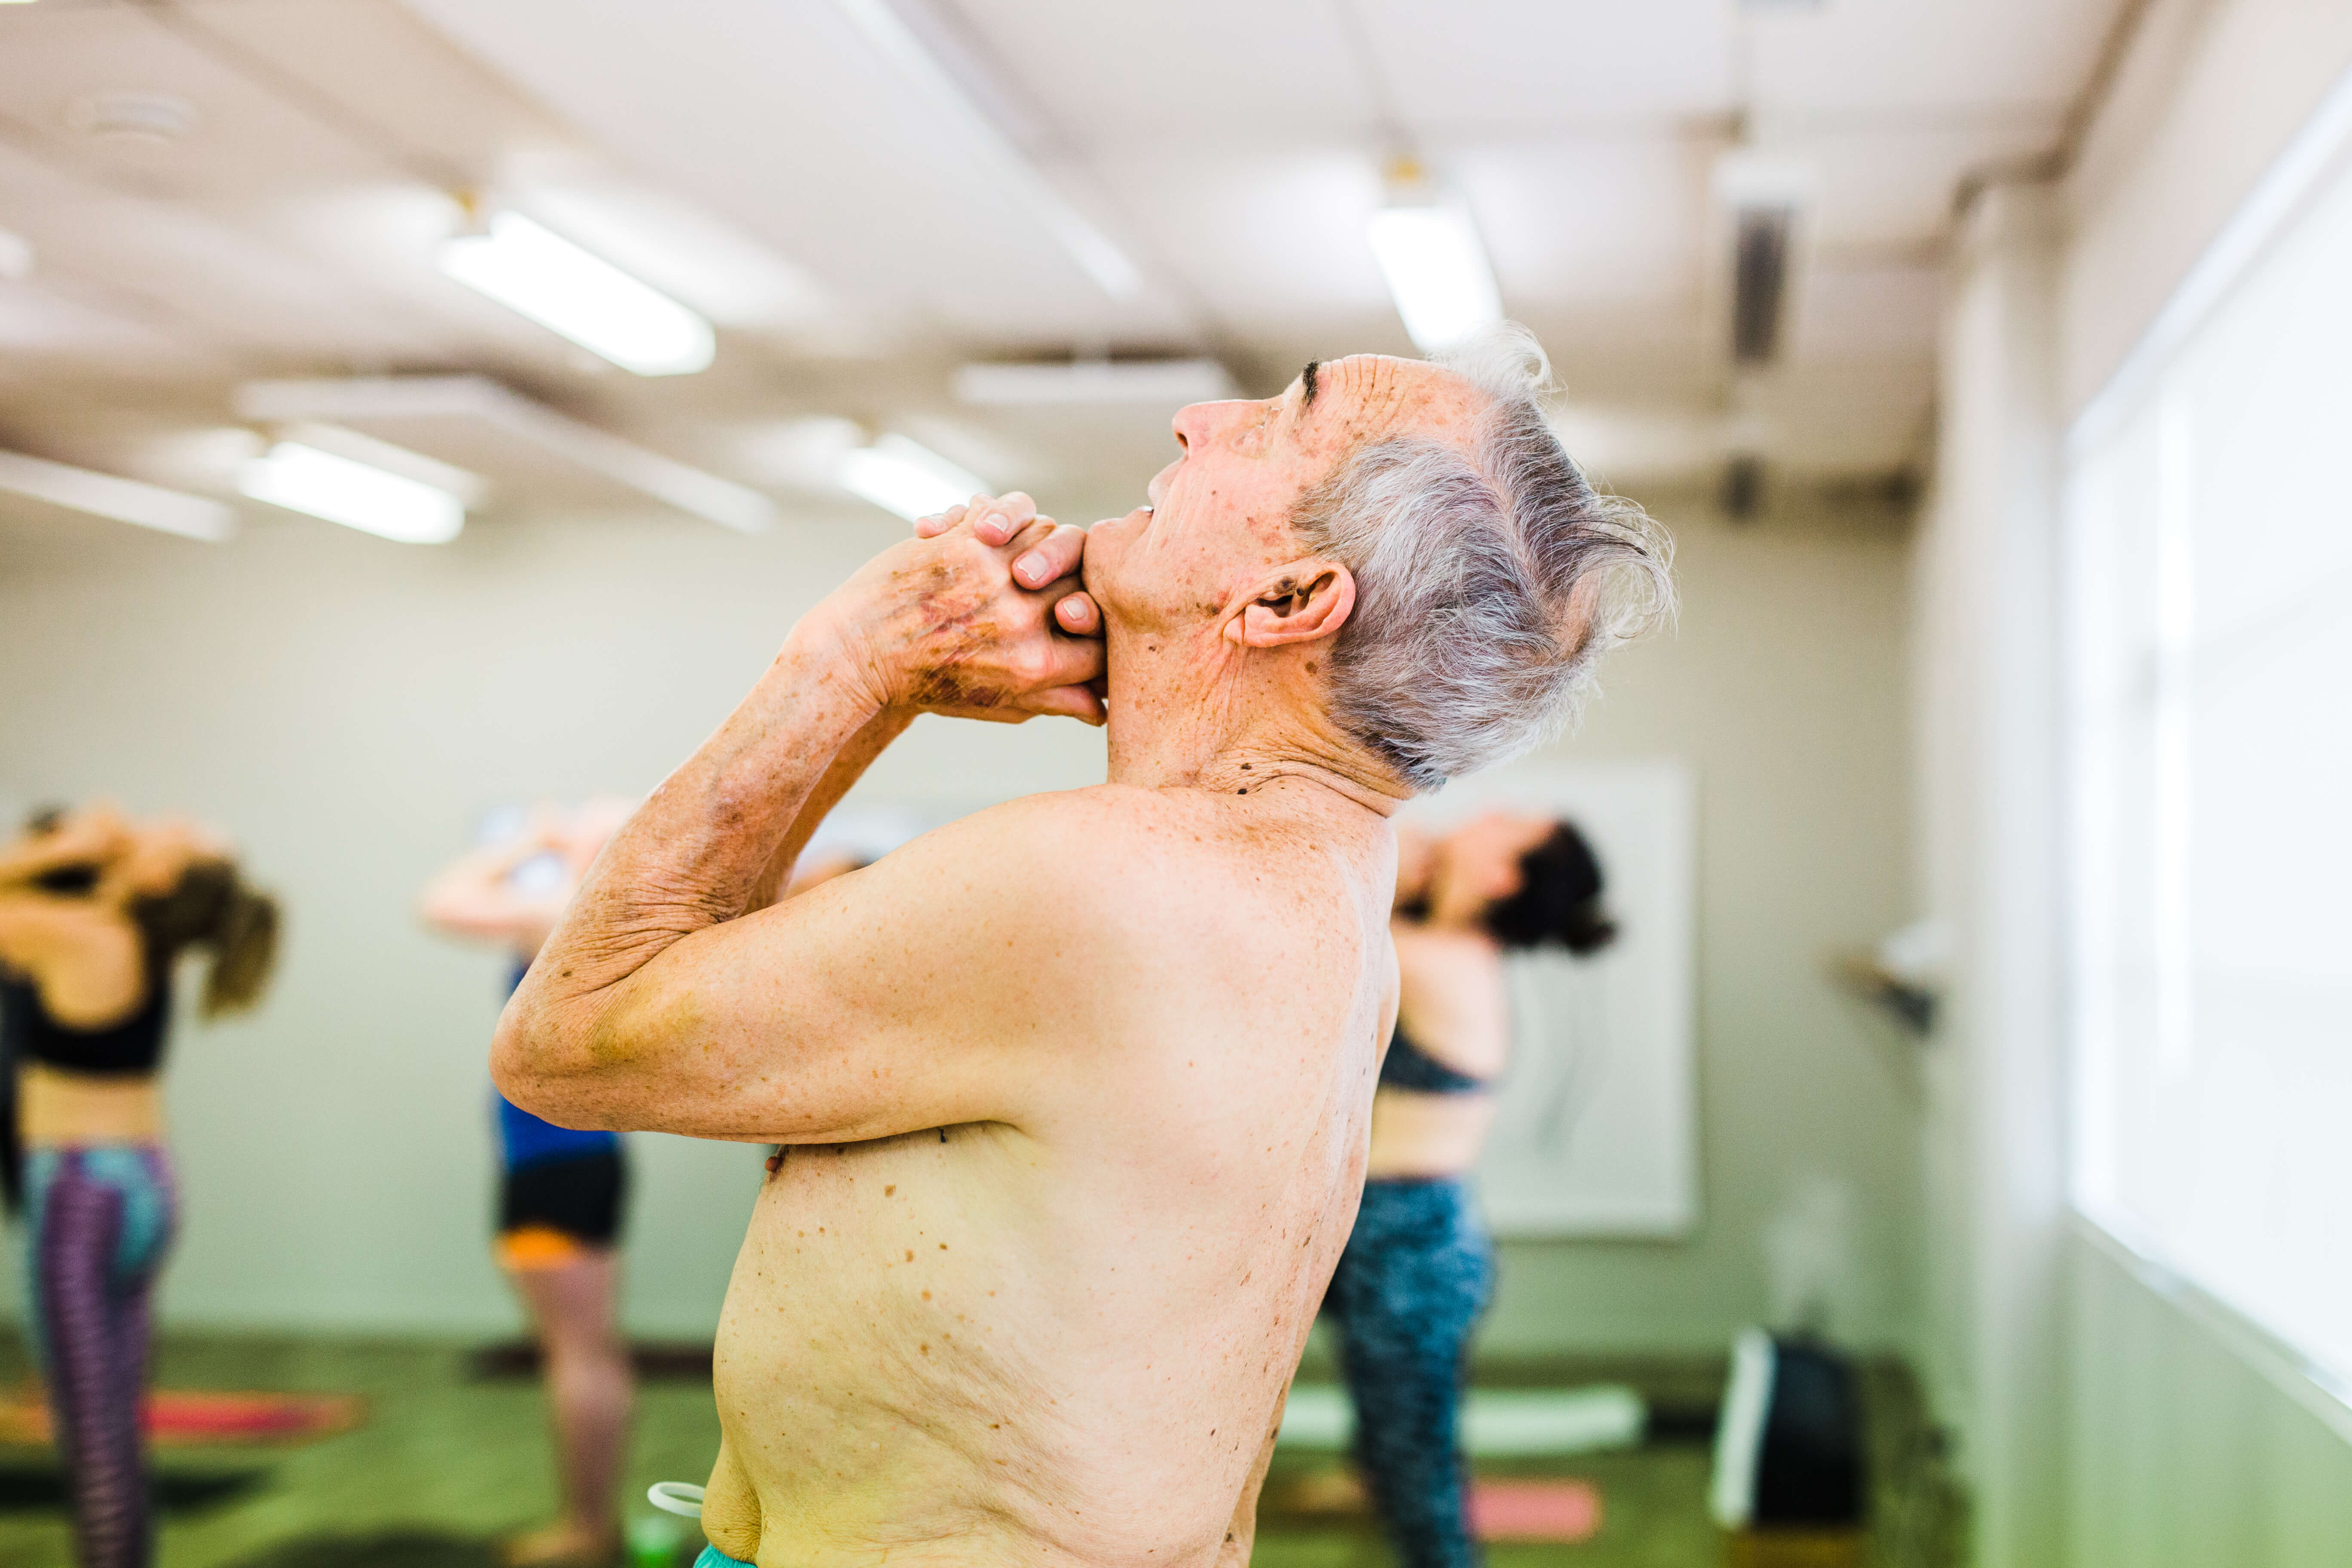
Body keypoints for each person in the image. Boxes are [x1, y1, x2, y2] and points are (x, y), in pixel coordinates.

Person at [496, 327, 1672, 1567]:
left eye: (1278, 420)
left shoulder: (1114, 883)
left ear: (1287, 600)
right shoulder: (1332, 880)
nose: (1198, 416)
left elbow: (566, 1044)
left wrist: (850, 664)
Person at [1320, 811, 1617, 1568]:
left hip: (1408, 1246)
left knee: (1418, 1477)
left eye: (1507, 826)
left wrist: (1394, 849)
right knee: (1390, 1450)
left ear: (1504, 877)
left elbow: (1324, 913)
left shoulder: (1440, 962)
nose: (1483, 816)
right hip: (1381, 1234)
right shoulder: (1430, 947)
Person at [0, 805, 279, 1568]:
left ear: (159, 875)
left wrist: (62, 844)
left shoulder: (87, 936)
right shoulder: (137, 939)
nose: (149, 818)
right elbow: (214, 857)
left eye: (167, 828)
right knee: (116, 1416)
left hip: (77, 1191)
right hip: (147, 1184)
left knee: (89, 1432)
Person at [419, 800, 634, 1568]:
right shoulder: (606, 918)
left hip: (553, 1165)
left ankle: (585, 1527)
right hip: (579, 1159)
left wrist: (531, 838)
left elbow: (442, 900)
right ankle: (592, 1521)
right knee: (589, 1349)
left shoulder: (569, 914)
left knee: (574, 1353)